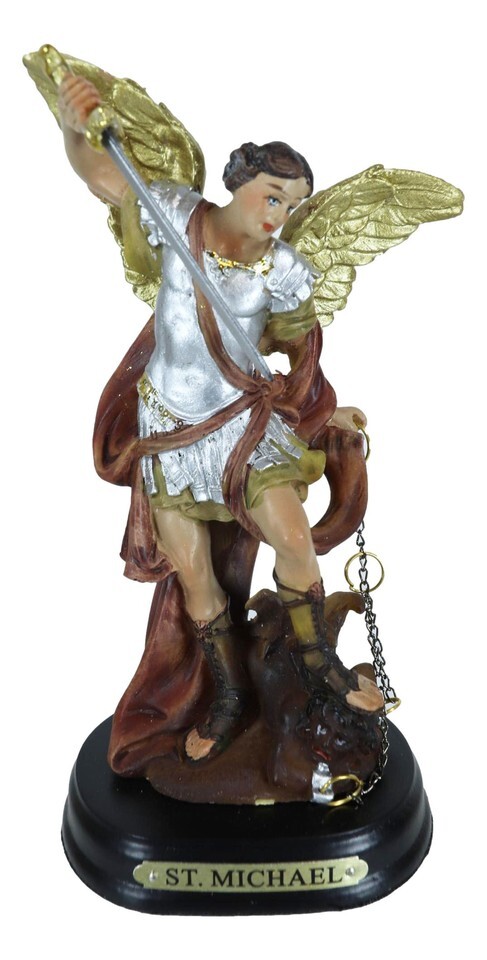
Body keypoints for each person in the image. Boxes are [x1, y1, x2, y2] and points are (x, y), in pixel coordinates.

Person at [58, 74, 383, 764]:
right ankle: (229, 695)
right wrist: (73, 128)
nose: (279, 215)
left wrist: (320, 409)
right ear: (239, 183)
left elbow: (301, 350)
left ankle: (318, 667)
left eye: (292, 205)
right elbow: (102, 177)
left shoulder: (283, 270)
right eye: (272, 196)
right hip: (170, 429)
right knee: (195, 576)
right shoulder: (175, 213)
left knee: (294, 541)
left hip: (241, 425)